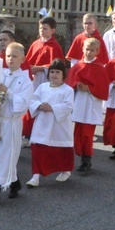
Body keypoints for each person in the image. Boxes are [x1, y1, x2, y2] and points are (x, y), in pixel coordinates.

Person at [0, 42, 33, 208]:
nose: (10, 59)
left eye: (14, 56)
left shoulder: (26, 81)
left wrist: (7, 92)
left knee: (3, 156)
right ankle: (14, 183)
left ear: (22, 59)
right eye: (8, 55)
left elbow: (22, 103)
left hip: (11, 123)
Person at [26, 59, 74, 188]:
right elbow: (33, 100)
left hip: (59, 125)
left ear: (63, 74)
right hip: (42, 123)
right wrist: (39, 105)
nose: (54, 75)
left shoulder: (68, 90)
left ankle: (65, 170)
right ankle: (35, 175)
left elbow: (68, 105)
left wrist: (52, 108)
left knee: (60, 149)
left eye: (57, 72)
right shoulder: (42, 87)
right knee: (38, 148)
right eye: (52, 72)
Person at [65, 38, 109, 172]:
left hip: (91, 105)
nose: (89, 52)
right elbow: (70, 82)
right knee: (78, 132)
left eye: (92, 50)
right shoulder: (78, 65)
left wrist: (89, 88)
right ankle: (80, 155)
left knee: (87, 134)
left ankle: (86, 159)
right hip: (79, 103)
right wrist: (75, 85)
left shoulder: (99, 68)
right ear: (83, 49)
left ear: (97, 52)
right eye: (87, 49)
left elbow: (103, 88)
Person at [23, 16, 65, 146]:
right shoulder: (35, 44)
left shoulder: (55, 46)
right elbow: (27, 60)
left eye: (45, 28)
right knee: (30, 104)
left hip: (45, 80)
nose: (42, 31)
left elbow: (57, 66)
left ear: (52, 30)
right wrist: (30, 69)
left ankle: (41, 134)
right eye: (41, 28)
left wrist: (40, 68)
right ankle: (27, 134)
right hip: (33, 79)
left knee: (42, 106)